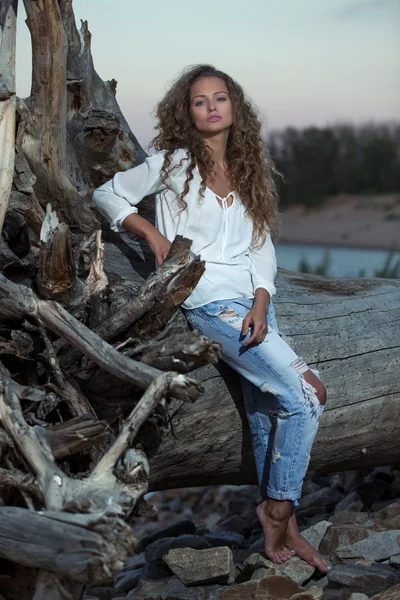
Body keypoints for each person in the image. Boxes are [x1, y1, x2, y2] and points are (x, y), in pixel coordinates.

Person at [93, 64, 331, 571]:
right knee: (309, 393)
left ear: (235, 107)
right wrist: (153, 236)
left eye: (220, 98)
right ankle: (279, 507)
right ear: (188, 111)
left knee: (270, 407)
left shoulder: (250, 168)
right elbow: (107, 193)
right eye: (199, 101)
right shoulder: (173, 164)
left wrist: (264, 299)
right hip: (203, 299)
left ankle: (280, 525)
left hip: (250, 302)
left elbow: (261, 245)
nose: (211, 107)